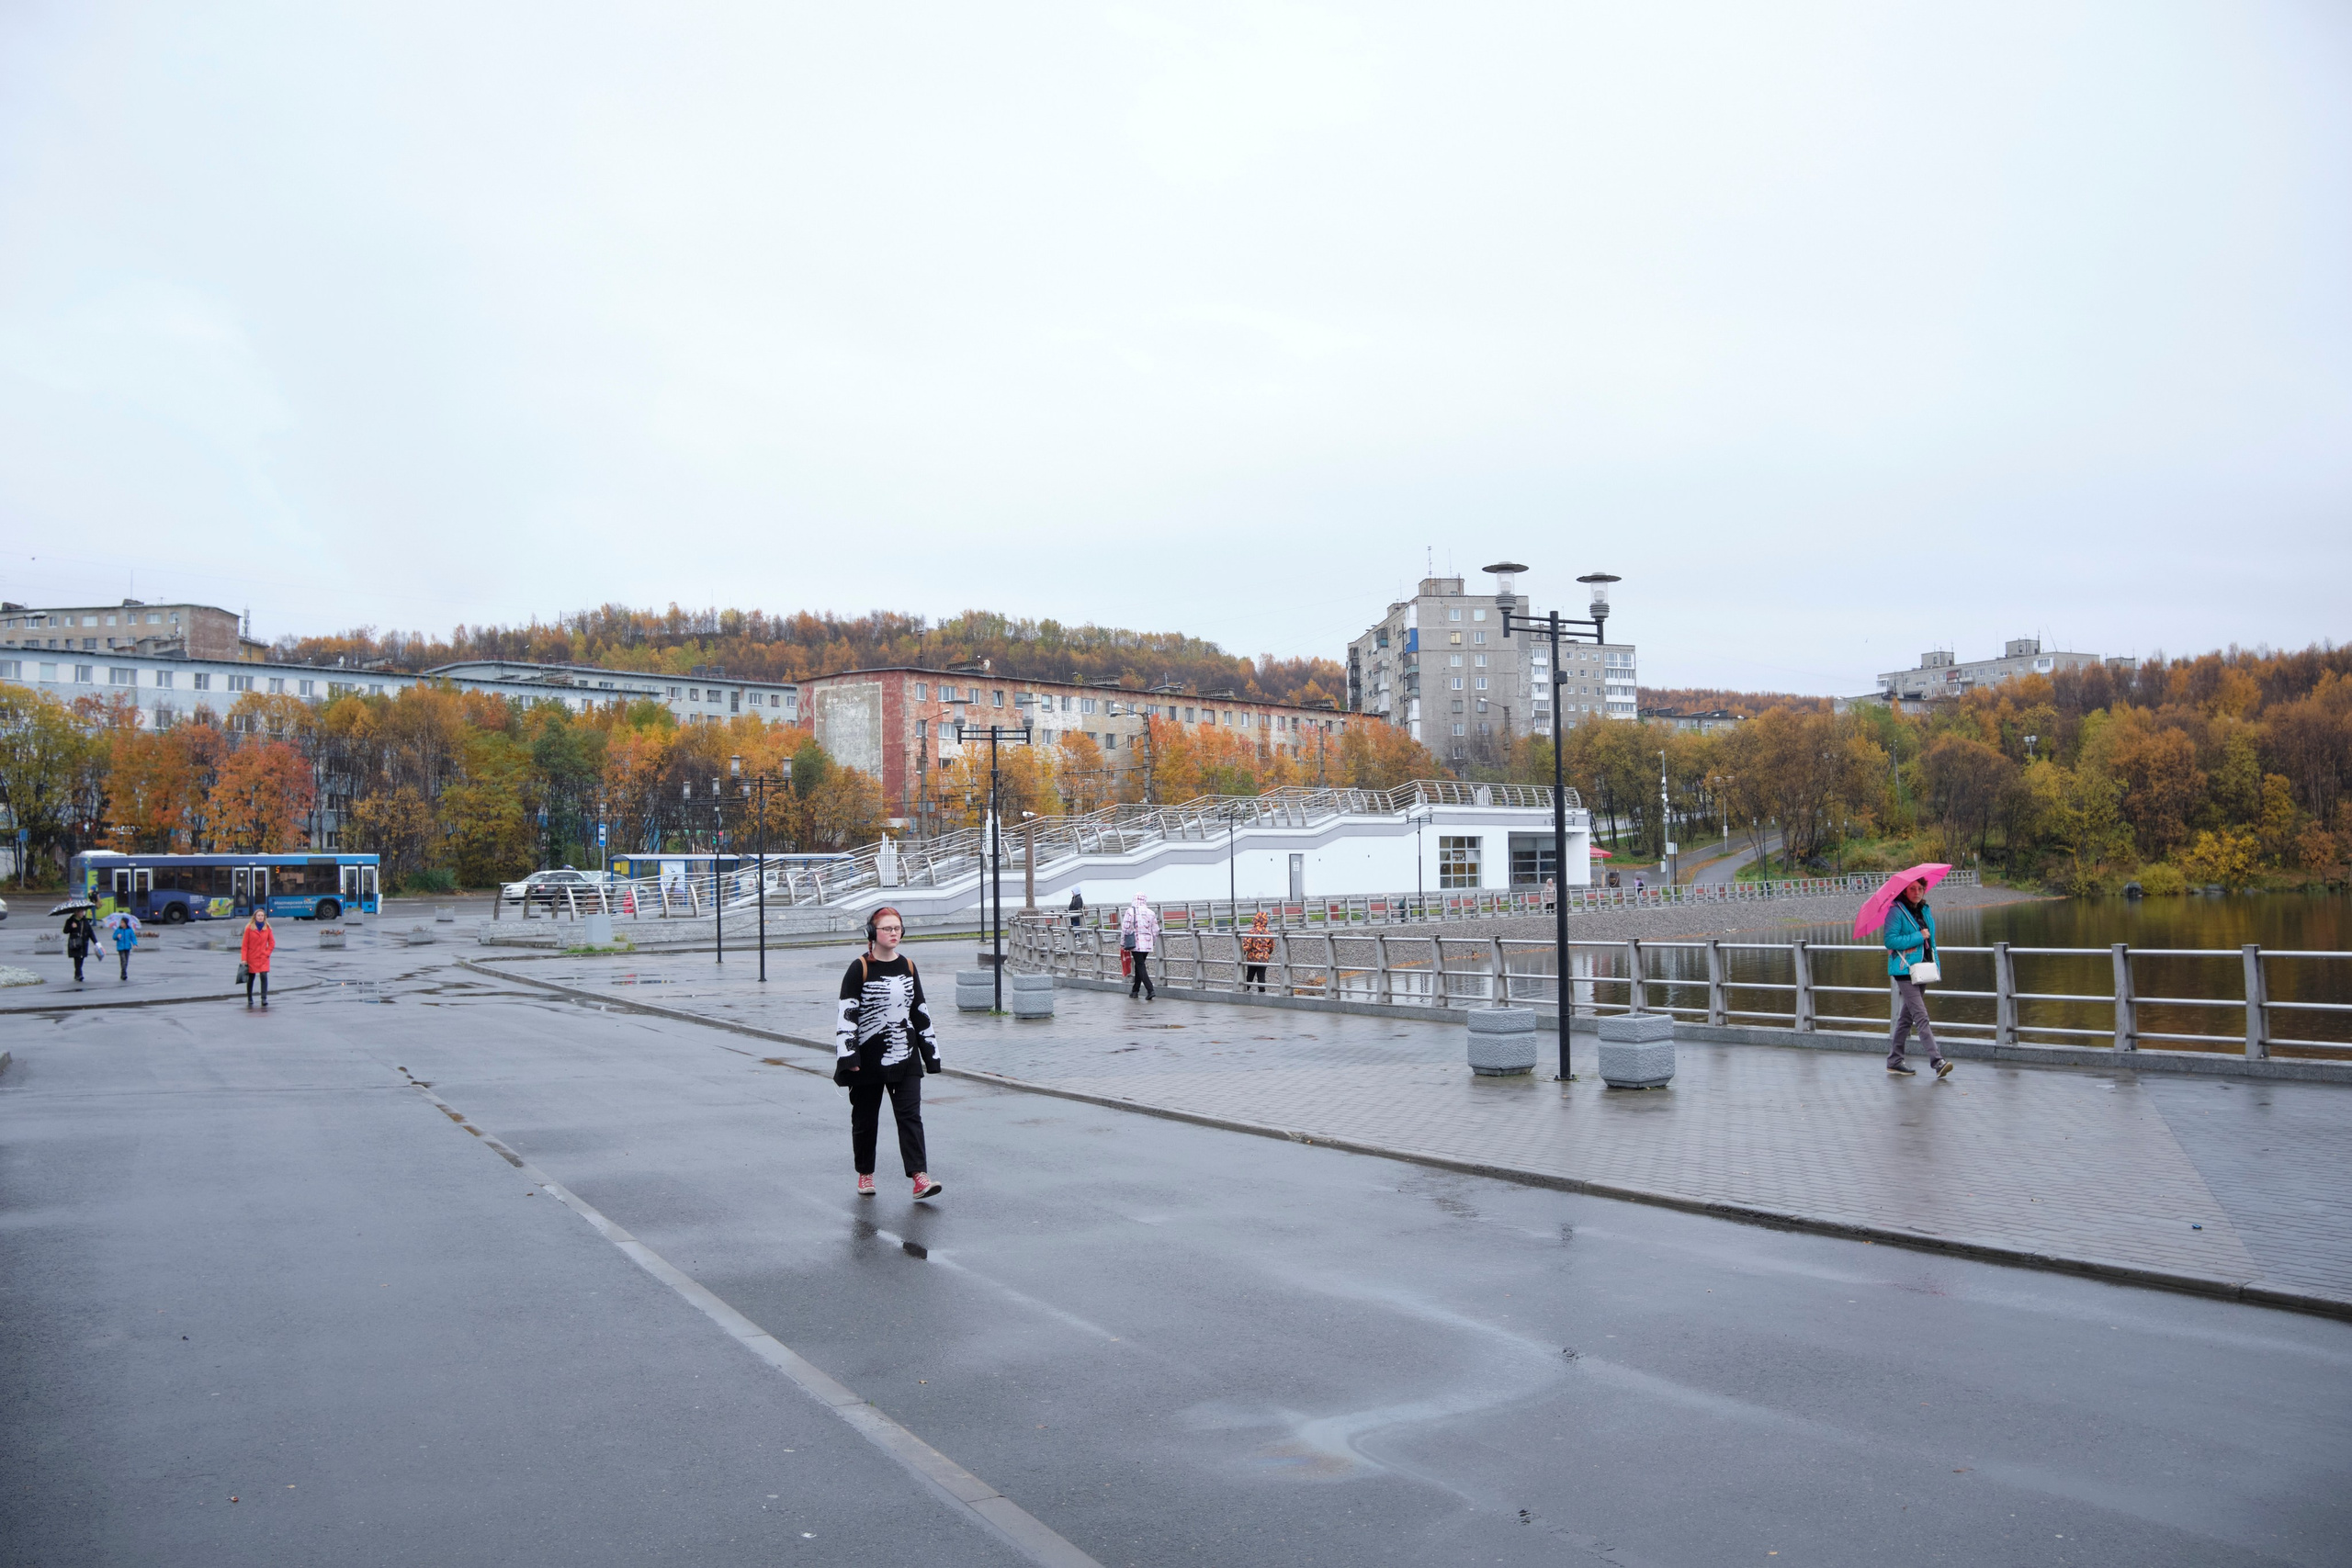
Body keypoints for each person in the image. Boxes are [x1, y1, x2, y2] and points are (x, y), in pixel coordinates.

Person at [833, 906, 944, 1200]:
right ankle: (865, 1174)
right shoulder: (860, 967)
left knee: (910, 1116)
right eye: (887, 928)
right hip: (867, 1060)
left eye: (897, 928)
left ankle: (920, 1177)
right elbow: (847, 1014)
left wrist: (931, 1055)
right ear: (872, 933)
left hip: (905, 1057)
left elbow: (919, 1011)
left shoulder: (908, 966)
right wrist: (849, 1057)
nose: (894, 933)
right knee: (866, 1119)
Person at [1883, 878, 1950, 1078]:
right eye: (1912, 889)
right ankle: (1937, 1061)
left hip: (1923, 968)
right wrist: (1919, 936)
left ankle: (1894, 1060)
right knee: (1921, 1016)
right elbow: (1890, 940)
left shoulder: (1924, 910)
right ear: (1905, 891)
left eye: (1920, 888)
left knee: (1907, 1017)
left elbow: (1933, 942)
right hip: (1904, 970)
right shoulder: (1896, 911)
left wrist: (1936, 964)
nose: (1917, 892)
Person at [1121, 893, 1159, 1001]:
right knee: (1139, 965)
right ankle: (1135, 990)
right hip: (1147, 943)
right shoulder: (1150, 912)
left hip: (1135, 942)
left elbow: (1125, 929)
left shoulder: (1130, 911)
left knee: (1140, 965)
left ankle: (1150, 989)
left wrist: (1123, 943)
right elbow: (1156, 931)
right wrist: (1152, 942)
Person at [241, 908, 276, 1007]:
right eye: (258, 916)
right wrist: (244, 959)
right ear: (255, 917)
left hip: (263, 957)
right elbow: (244, 945)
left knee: (264, 976)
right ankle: (250, 998)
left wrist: (267, 953)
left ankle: (264, 998)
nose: (260, 917)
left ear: (264, 917)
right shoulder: (249, 928)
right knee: (251, 978)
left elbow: (272, 943)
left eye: (262, 916)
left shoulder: (267, 928)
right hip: (252, 957)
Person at [1239, 909, 1274, 992]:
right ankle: (1262, 990)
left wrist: (1243, 952)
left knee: (1250, 975)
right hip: (1263, 958)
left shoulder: (1251, 932)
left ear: (1255, 920)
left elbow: (1246, 946)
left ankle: (1245, 989)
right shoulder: (1268, 933)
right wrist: (1268, 952)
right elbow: (1271, 946)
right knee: (1261, 975)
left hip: (1252, 957)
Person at [63, 908, 96, 983]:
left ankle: (77, 973)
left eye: (83, 911)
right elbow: (65, 931)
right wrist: (71, 927)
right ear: (76, 912)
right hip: (75, 943)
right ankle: (79, 974)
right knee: (77, 958)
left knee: (81, 959)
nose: (83, 913)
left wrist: (95, 942)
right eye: (81, 911)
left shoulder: (85, 921)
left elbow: (90, 932)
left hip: (84, 943)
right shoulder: (70, 920)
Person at [110, 914, 140, 981]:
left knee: (126, 961)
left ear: (126, 923)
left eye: (123, 923)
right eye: (121, 923)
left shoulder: (129, 930)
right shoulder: (118, 930)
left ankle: (123, 972)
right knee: (123, 960)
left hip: (127, 948)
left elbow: (133, 938)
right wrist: (117, 936)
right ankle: (124, 973)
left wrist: (135, 944)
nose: (121, 924)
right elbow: (114, 937)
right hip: (120, 948)